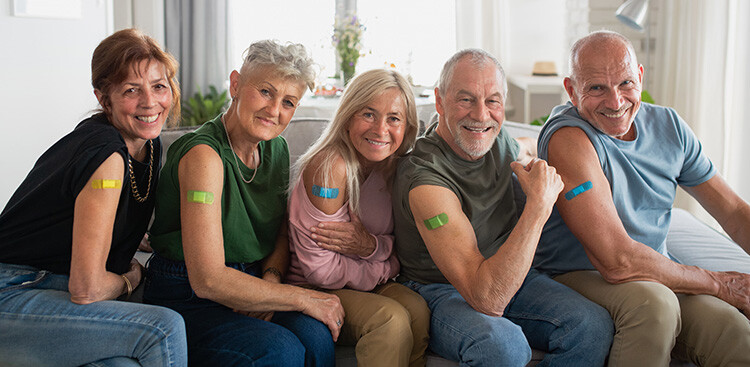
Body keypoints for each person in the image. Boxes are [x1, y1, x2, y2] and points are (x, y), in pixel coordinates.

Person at [534, 30, 750, 366]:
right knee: (655, 306)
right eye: (596, 88)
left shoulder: (670, 126)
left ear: (640, 77)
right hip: (580, 274)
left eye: (625, 84)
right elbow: (617, 262)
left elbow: (734, 211)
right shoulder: (568, 138)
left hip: (657, 272)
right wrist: (718, 283)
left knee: (733, 329)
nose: (615, 102)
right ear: (571, 91)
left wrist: (716, 288)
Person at [391, 48, 614, 366]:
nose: (481, 115)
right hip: (442, 288)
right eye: (466, 99)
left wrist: (569, 151)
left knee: (592, 327)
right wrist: (538, 206)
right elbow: (486, 297)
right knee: (502, 346)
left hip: (512, 273)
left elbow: (525, 145)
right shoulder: (426, 181)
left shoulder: (497, 141)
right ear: (440, 101)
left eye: (492, 101)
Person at [143, 40, 344, 366]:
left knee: (315, 334)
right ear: (236, 84)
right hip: (188, 295)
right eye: (265, 92)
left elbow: (281, 234)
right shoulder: (204, 156)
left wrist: (270, 283)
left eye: (289, 102)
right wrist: (300, 297)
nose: (274, 110)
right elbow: (208, 279)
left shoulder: (276, 150)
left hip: (252, 281)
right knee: (279, 349)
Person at [0, 29, 187, 366]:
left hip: (49, 289)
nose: (150, 102)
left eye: (159, 86)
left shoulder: (147, 143)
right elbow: (87, 289)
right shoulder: (106, 154)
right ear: (104, 99)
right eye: (132, 90)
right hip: (13, 291)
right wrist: (132, 279)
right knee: (163, 328)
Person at [286, 69, 430, 367]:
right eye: (368, 113)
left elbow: (403, 247)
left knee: (416, 308)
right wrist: (384, 262)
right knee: (390, 320)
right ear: (349, 115)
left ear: (407, 126)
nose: (380, 129)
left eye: (394, 118)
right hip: (313, 289)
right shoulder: (330, 166)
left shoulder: (396, 167)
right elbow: (321, 272)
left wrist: (371, 248)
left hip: (362, 279)